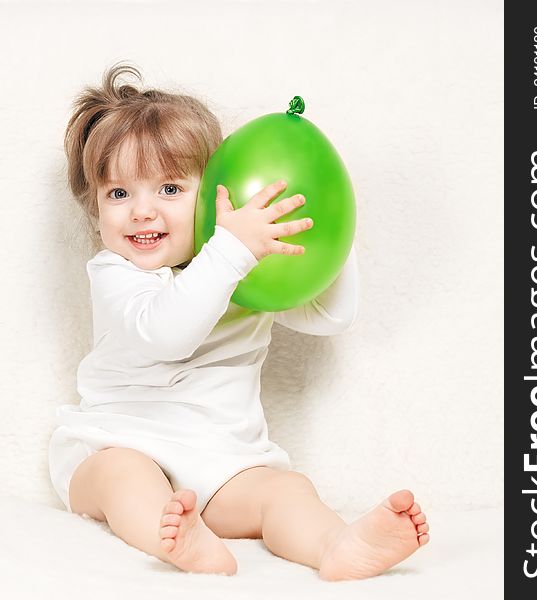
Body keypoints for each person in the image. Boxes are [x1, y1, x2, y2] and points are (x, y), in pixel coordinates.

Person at [48, 62, 429, 580]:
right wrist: (229, 251)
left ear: (215, 191)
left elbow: (329, 314)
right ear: (96, 207)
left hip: (223, 465)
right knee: (125, 479)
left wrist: (325, 219)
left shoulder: (244, 270)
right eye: (119, 194)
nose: (141, 211)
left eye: (169, 189)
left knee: (285, 491)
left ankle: (335, 545)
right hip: (116, 441)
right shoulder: (116, 274)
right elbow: (168, 333)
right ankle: (179, 544)